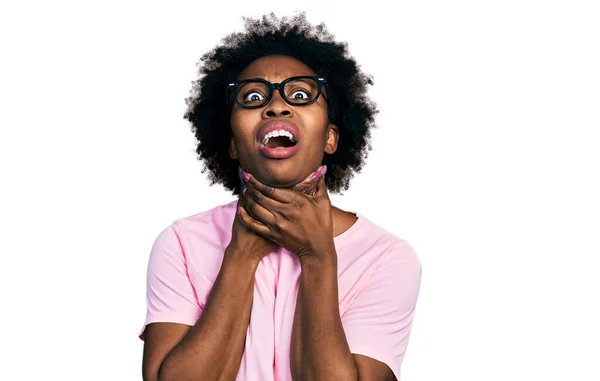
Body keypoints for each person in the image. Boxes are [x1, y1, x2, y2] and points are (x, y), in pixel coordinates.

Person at [139, 13, 422, 381]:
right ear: (232, 145)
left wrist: (318, 256)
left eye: (301, 94)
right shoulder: (180, 242)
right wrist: (241, 253)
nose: (276, 106)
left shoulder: (387, 257)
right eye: (253, 97)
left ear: (331, 138)